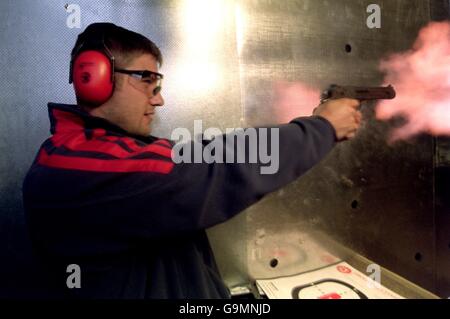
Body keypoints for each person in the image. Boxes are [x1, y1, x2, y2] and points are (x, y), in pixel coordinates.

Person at [22, 22, 361, 299]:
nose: (159, 99)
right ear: (94, 78)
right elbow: (213, 167)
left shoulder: (106, 152)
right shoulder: (73, 166)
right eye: (147, 81)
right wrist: (322, 128)